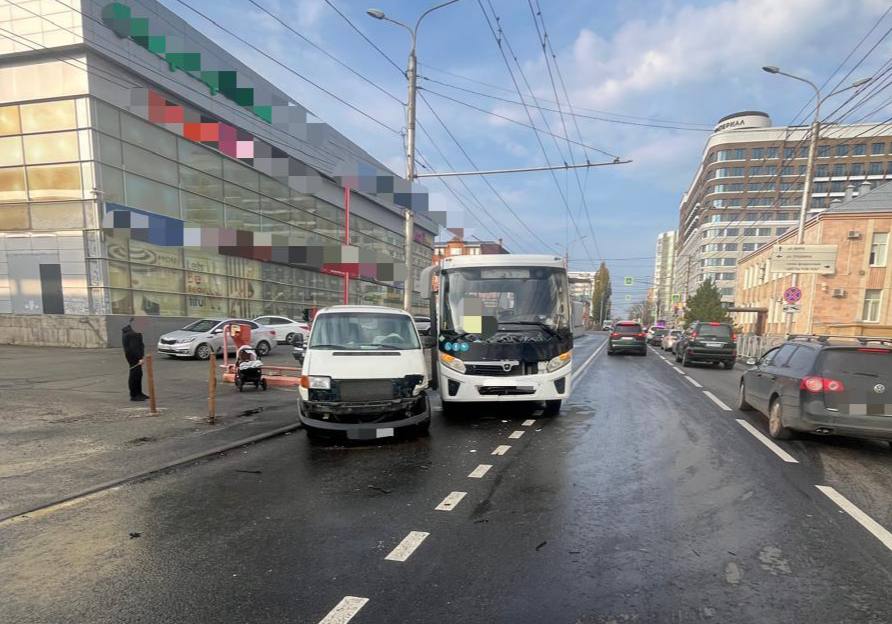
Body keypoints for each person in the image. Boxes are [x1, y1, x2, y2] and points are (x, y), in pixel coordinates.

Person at [122, 317, 148, 401]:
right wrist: (140, 358)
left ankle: (139, 393)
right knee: (135, 375)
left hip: (130, 355)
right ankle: (134, 395)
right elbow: (135, 347)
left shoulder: (129, 331)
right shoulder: (134, 333)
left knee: (138, 374)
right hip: (134, 357)